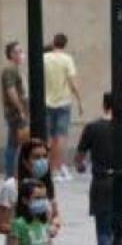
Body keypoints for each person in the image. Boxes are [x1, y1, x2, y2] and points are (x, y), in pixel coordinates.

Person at [75, 93, 120, 245]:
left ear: (104, 105)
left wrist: (81, 167)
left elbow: (79, 158)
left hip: (100, 182)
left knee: (103, 231)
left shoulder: (92, 128)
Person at [0, 138, 59, 236]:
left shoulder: (47, 185)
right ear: (25, 161)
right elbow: (0, 224)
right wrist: (26, 232)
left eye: (45, 156)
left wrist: (54, 225)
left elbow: (56, 215)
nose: (42, 161)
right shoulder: (11, 186)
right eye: (36, 157)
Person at [43, 33, 85, 180]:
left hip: (45, 101)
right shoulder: (67, 60)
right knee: (60, 137)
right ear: (65, 44)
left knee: (46, 137)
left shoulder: (44, 58)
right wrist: (80, 101)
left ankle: (46, 168)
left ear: (53, 42)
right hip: (63, 102)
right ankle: (56, 168)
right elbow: (72, 82)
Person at [1, 41, 30, 179]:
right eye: (18, 52)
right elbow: (11, 91)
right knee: (13, 143)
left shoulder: (15, 70)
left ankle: (13, 173)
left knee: (16, 142)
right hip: (15, 112)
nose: (21, 54)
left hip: (17, 111)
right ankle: (10, 174)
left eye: (21, 51)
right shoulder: (10, 70)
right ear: (11, 54)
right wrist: (21, 110)